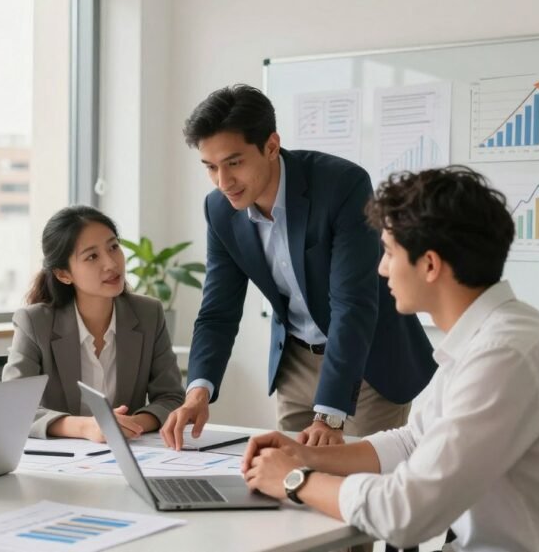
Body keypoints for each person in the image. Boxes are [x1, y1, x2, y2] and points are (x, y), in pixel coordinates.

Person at [241, 166, 539, 550]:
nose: (381, 268)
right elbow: (413, 441)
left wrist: (296, 480)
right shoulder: (491, 334)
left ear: (431, 265)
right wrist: (305, 455)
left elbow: (405, 516)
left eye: (388, 252)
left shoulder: (503, 355)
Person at [162, 84, 435, 450]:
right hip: (295, 362)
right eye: (210, 167)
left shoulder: (341, 186)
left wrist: (331, 413)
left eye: (234, 163)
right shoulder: (219, 210)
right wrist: (197, 392)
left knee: (356, 486)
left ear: (271, 146)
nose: (223, 182)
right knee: (285, 483)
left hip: (368, 364)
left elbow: (352, 304)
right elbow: (217, 312)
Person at [2, 205, 185, 442]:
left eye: (113, 247)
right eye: (92, 256)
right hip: (58, 462)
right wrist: (85, 428)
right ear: (63, 274)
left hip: (129, 455)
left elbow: (171, 397)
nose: (111, 263)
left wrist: (130, 425)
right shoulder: (35, 323)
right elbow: (12, 408)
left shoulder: (148, 314)